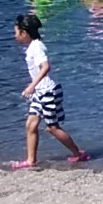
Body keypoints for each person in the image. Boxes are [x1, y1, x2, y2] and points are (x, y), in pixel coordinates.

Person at [10, 13, 89, 169]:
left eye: (16, 33)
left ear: (24, 33)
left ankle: (79, 153)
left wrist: (31, 86)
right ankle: (31, 160)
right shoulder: (33, 46)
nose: (15, 37)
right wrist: (34, 88)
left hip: (48, 92)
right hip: (39, 93)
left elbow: (46, 67)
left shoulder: (36, 47)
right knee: (30, 125)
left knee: (52, 128)